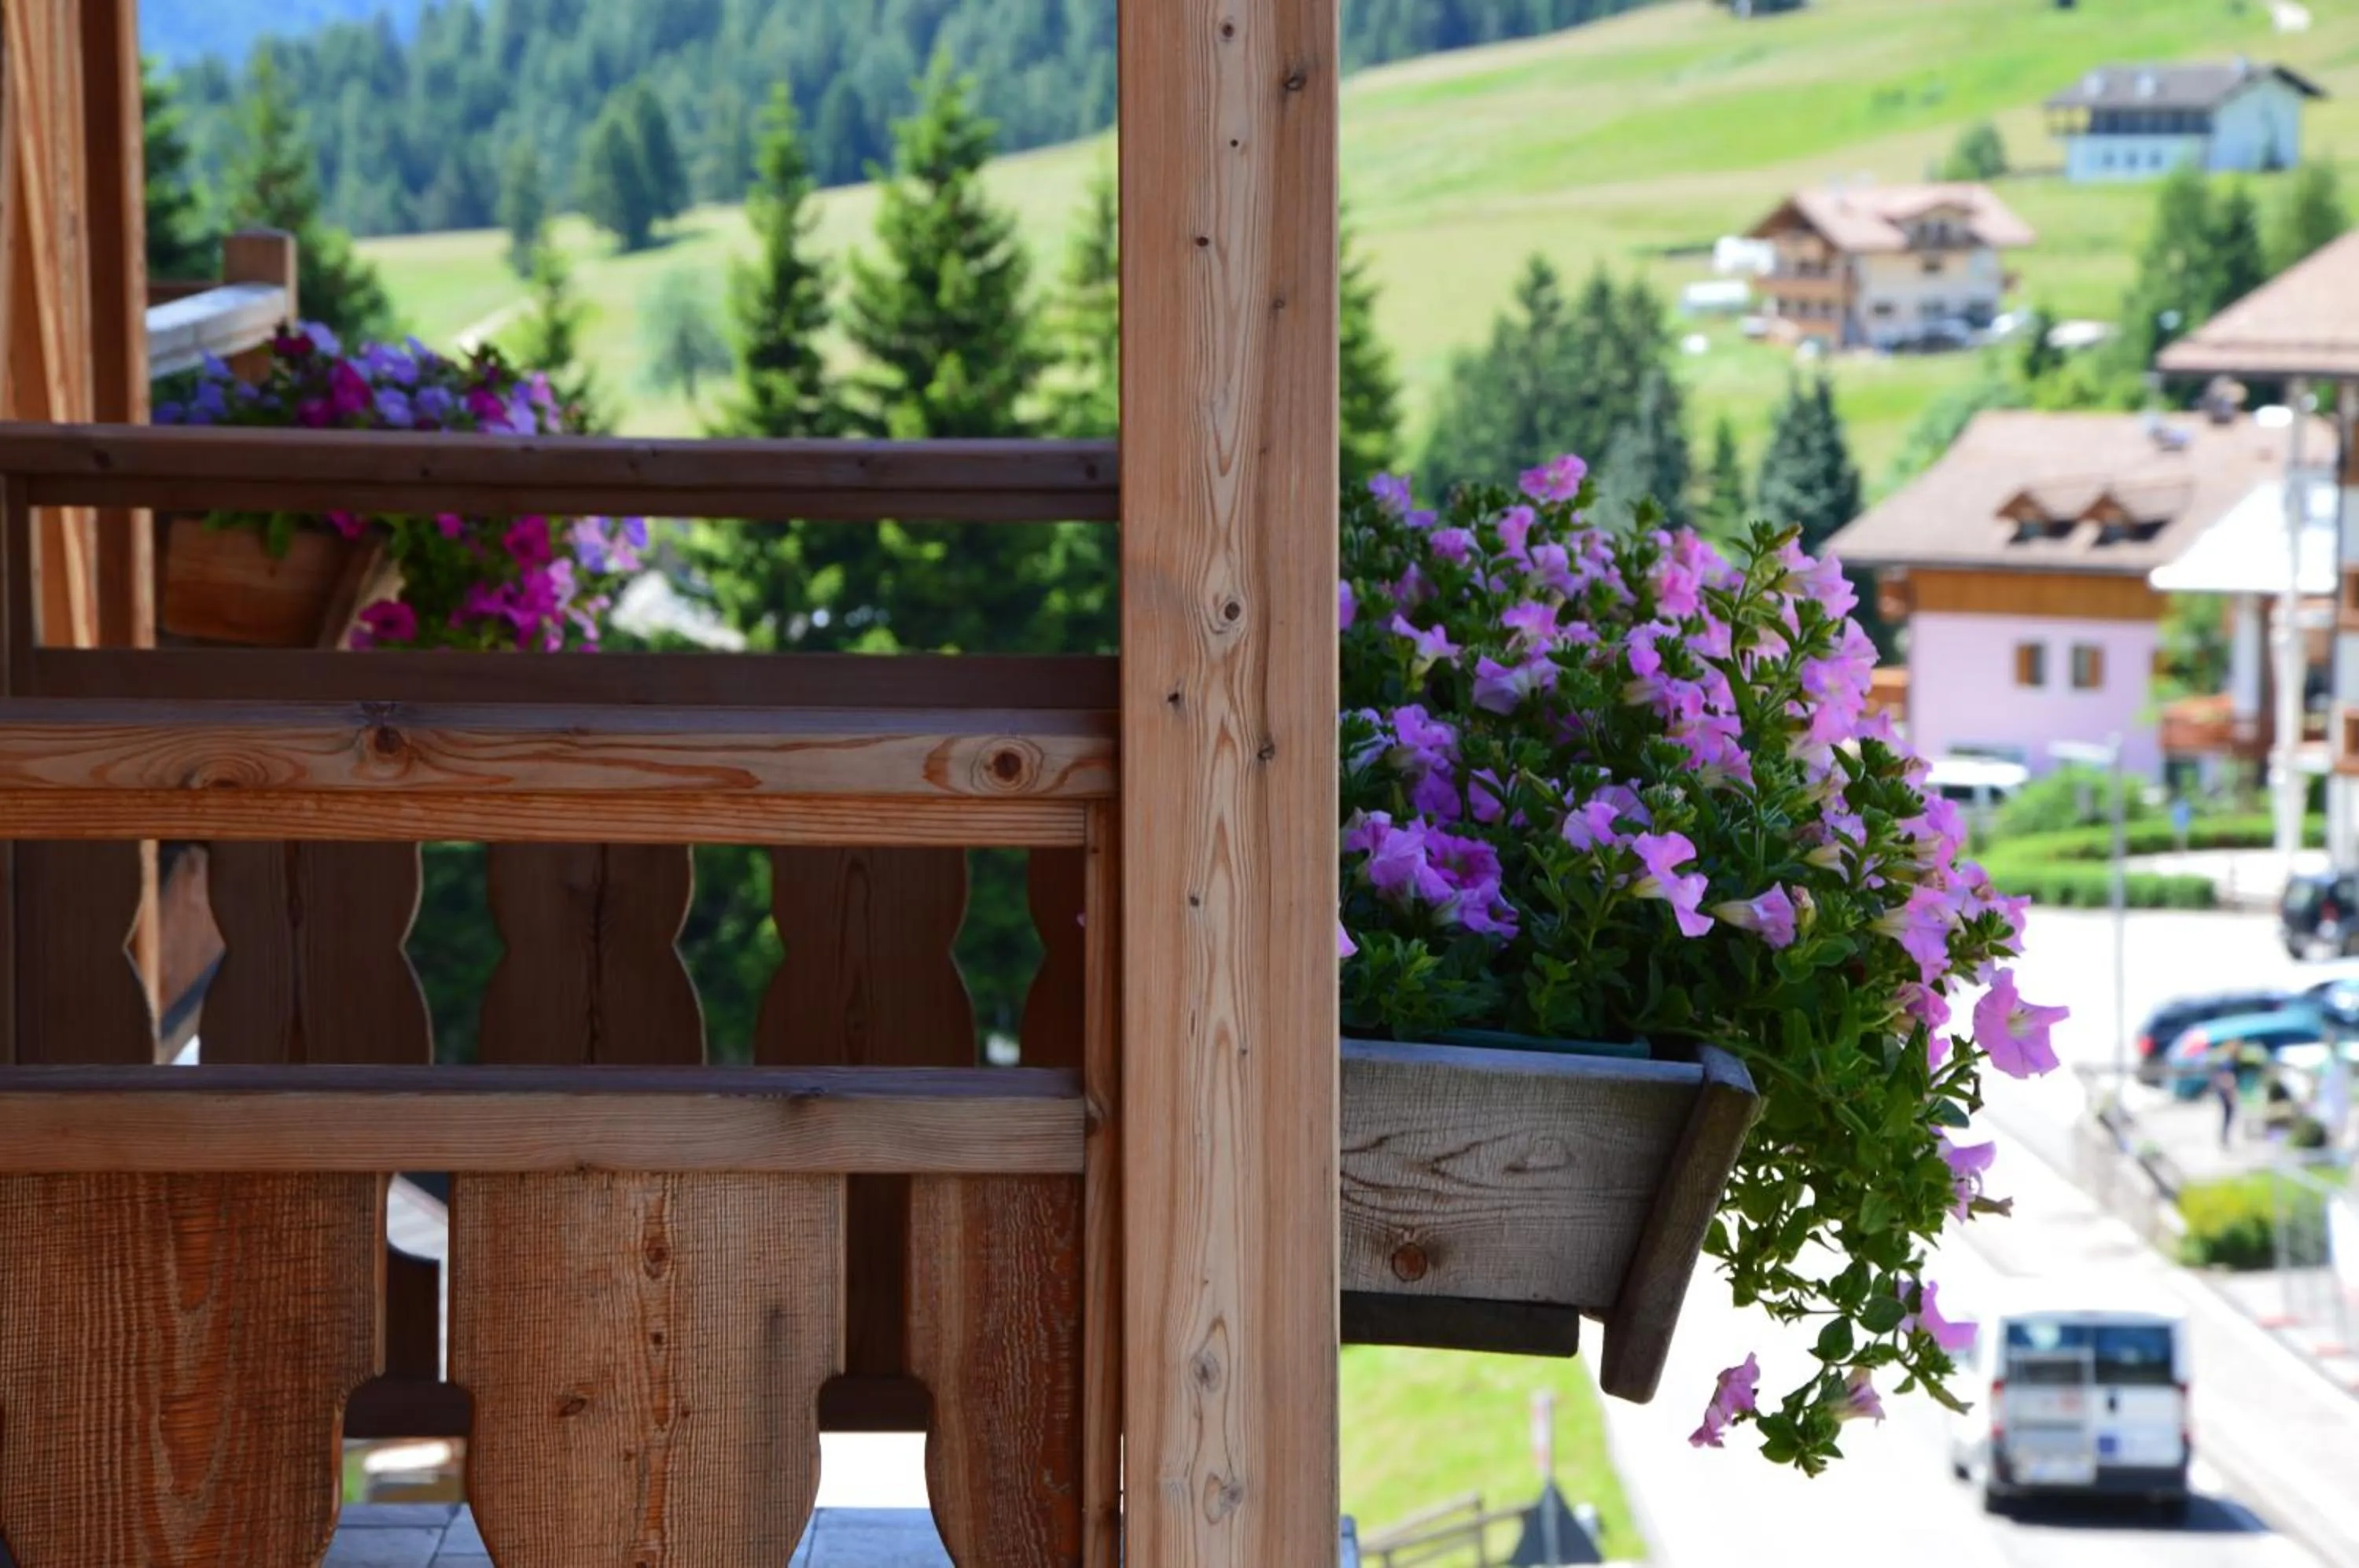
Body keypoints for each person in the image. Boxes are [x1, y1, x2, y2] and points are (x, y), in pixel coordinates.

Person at [2212, 1058, 2239, 1149]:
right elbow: (2229, 1088)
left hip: (2225, 1100)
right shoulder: (2227, 1077)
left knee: (2227, 1120)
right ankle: (2224, 1138)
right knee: (2227, 1120)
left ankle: (2225, 1137)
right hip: (2227, 1101)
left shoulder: (2220, 1076)